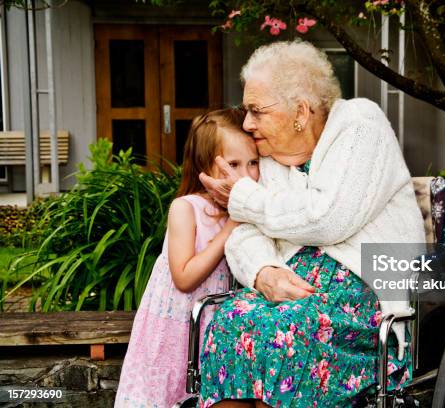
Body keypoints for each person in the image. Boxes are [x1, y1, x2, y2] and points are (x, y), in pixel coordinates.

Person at [198, 40, 426, 408]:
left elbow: (328, 217)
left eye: (256, 111)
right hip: (289, 293)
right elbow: (243, 234)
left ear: (301, 112)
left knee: (284, 331)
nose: (246, 123)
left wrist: (242, 198)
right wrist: (263, 271)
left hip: (362, 296)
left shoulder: (360, 125)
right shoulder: (269, 158)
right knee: (228, 320)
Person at [114, 108, 260, 407]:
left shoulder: (254, 210)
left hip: (212, 329)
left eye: (253, 163)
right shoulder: (186, 208)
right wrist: (231, 225)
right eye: (232, 164)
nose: (245, 175)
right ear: (203, 168)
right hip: (174, 330)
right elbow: (184, 277)